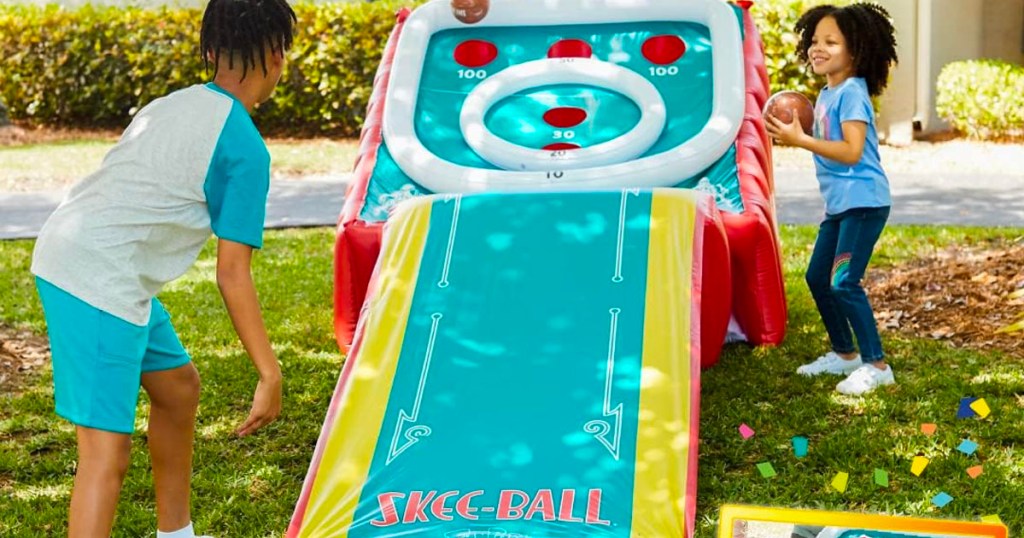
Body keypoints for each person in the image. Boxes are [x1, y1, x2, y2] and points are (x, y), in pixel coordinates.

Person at [30, 0, 297, 536]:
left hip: (89, 258)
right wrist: (269, 371)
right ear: (275, 56)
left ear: (212, 50)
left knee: (177, 387)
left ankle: (177, 533)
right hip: (97, 278)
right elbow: (232, 274)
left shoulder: (173, 104)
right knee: (105, 455)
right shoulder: (245, 149)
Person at [765, 3, 898, 395]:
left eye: (831, 42)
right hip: (840, 206)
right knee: (817, 278)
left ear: (855, 50)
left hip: (864, 203)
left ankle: (877, 365)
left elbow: (852, 151)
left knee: (844, 282)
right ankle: (845, 354)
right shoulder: (827, 93)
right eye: (815, 40)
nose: (818, 48)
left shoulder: (852, 93)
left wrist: (801, 141)